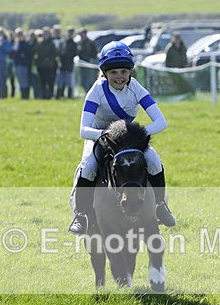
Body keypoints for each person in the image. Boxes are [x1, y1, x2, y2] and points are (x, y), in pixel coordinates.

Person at [68, 41, 177, 235]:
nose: (119, 76)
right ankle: (81, 215)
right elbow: (83, 129)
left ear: (130, 72)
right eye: (114, 72)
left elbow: (161, 122)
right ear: (105, 73)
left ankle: (160, 206)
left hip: (128, 139)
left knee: (155, 162)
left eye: (124, 71)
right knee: (88, 167)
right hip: (100, 136)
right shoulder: (96, 90)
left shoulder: (136, 88)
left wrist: (136, 136)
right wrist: (107, 135)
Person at [33, 29, 58, 99]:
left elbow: (55, 54)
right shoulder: (40, 42)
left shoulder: (52, 43)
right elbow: (36, 51)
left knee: (50, 81)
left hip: (50, 66)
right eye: (44, 33)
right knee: (42, 81)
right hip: (41, 65)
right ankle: (43, 95)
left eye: (47, 33)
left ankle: (50, 95)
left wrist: (49, 59)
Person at [56, 27, 77, 99]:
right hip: (62, 64)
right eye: (68, 32)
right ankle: (58, 96)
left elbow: (74, 53)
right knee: (60, 82)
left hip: (69, 65)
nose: (69, 34)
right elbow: (58, 52)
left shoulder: (74, 44)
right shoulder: (62, 42)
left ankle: (69, 96)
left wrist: (66, 54)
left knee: (69, 82)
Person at [11, 28, 32, 99]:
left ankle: (25, 96)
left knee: (24, 81)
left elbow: (26, 54)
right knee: (20, 81)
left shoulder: (25, 43)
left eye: (20, 34)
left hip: (23, 65)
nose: (18, 36)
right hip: (16, 64)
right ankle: (22, 95)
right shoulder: (15, 43)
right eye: (17, 34)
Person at [76, 28, 98, 93]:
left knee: (89, 80)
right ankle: (86, 92)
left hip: (89, 64)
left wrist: (92, 59)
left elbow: (95, 52)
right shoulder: (79, 43)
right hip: (81, 64)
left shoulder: (90, 42)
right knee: (83, 80)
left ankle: (90, 93)